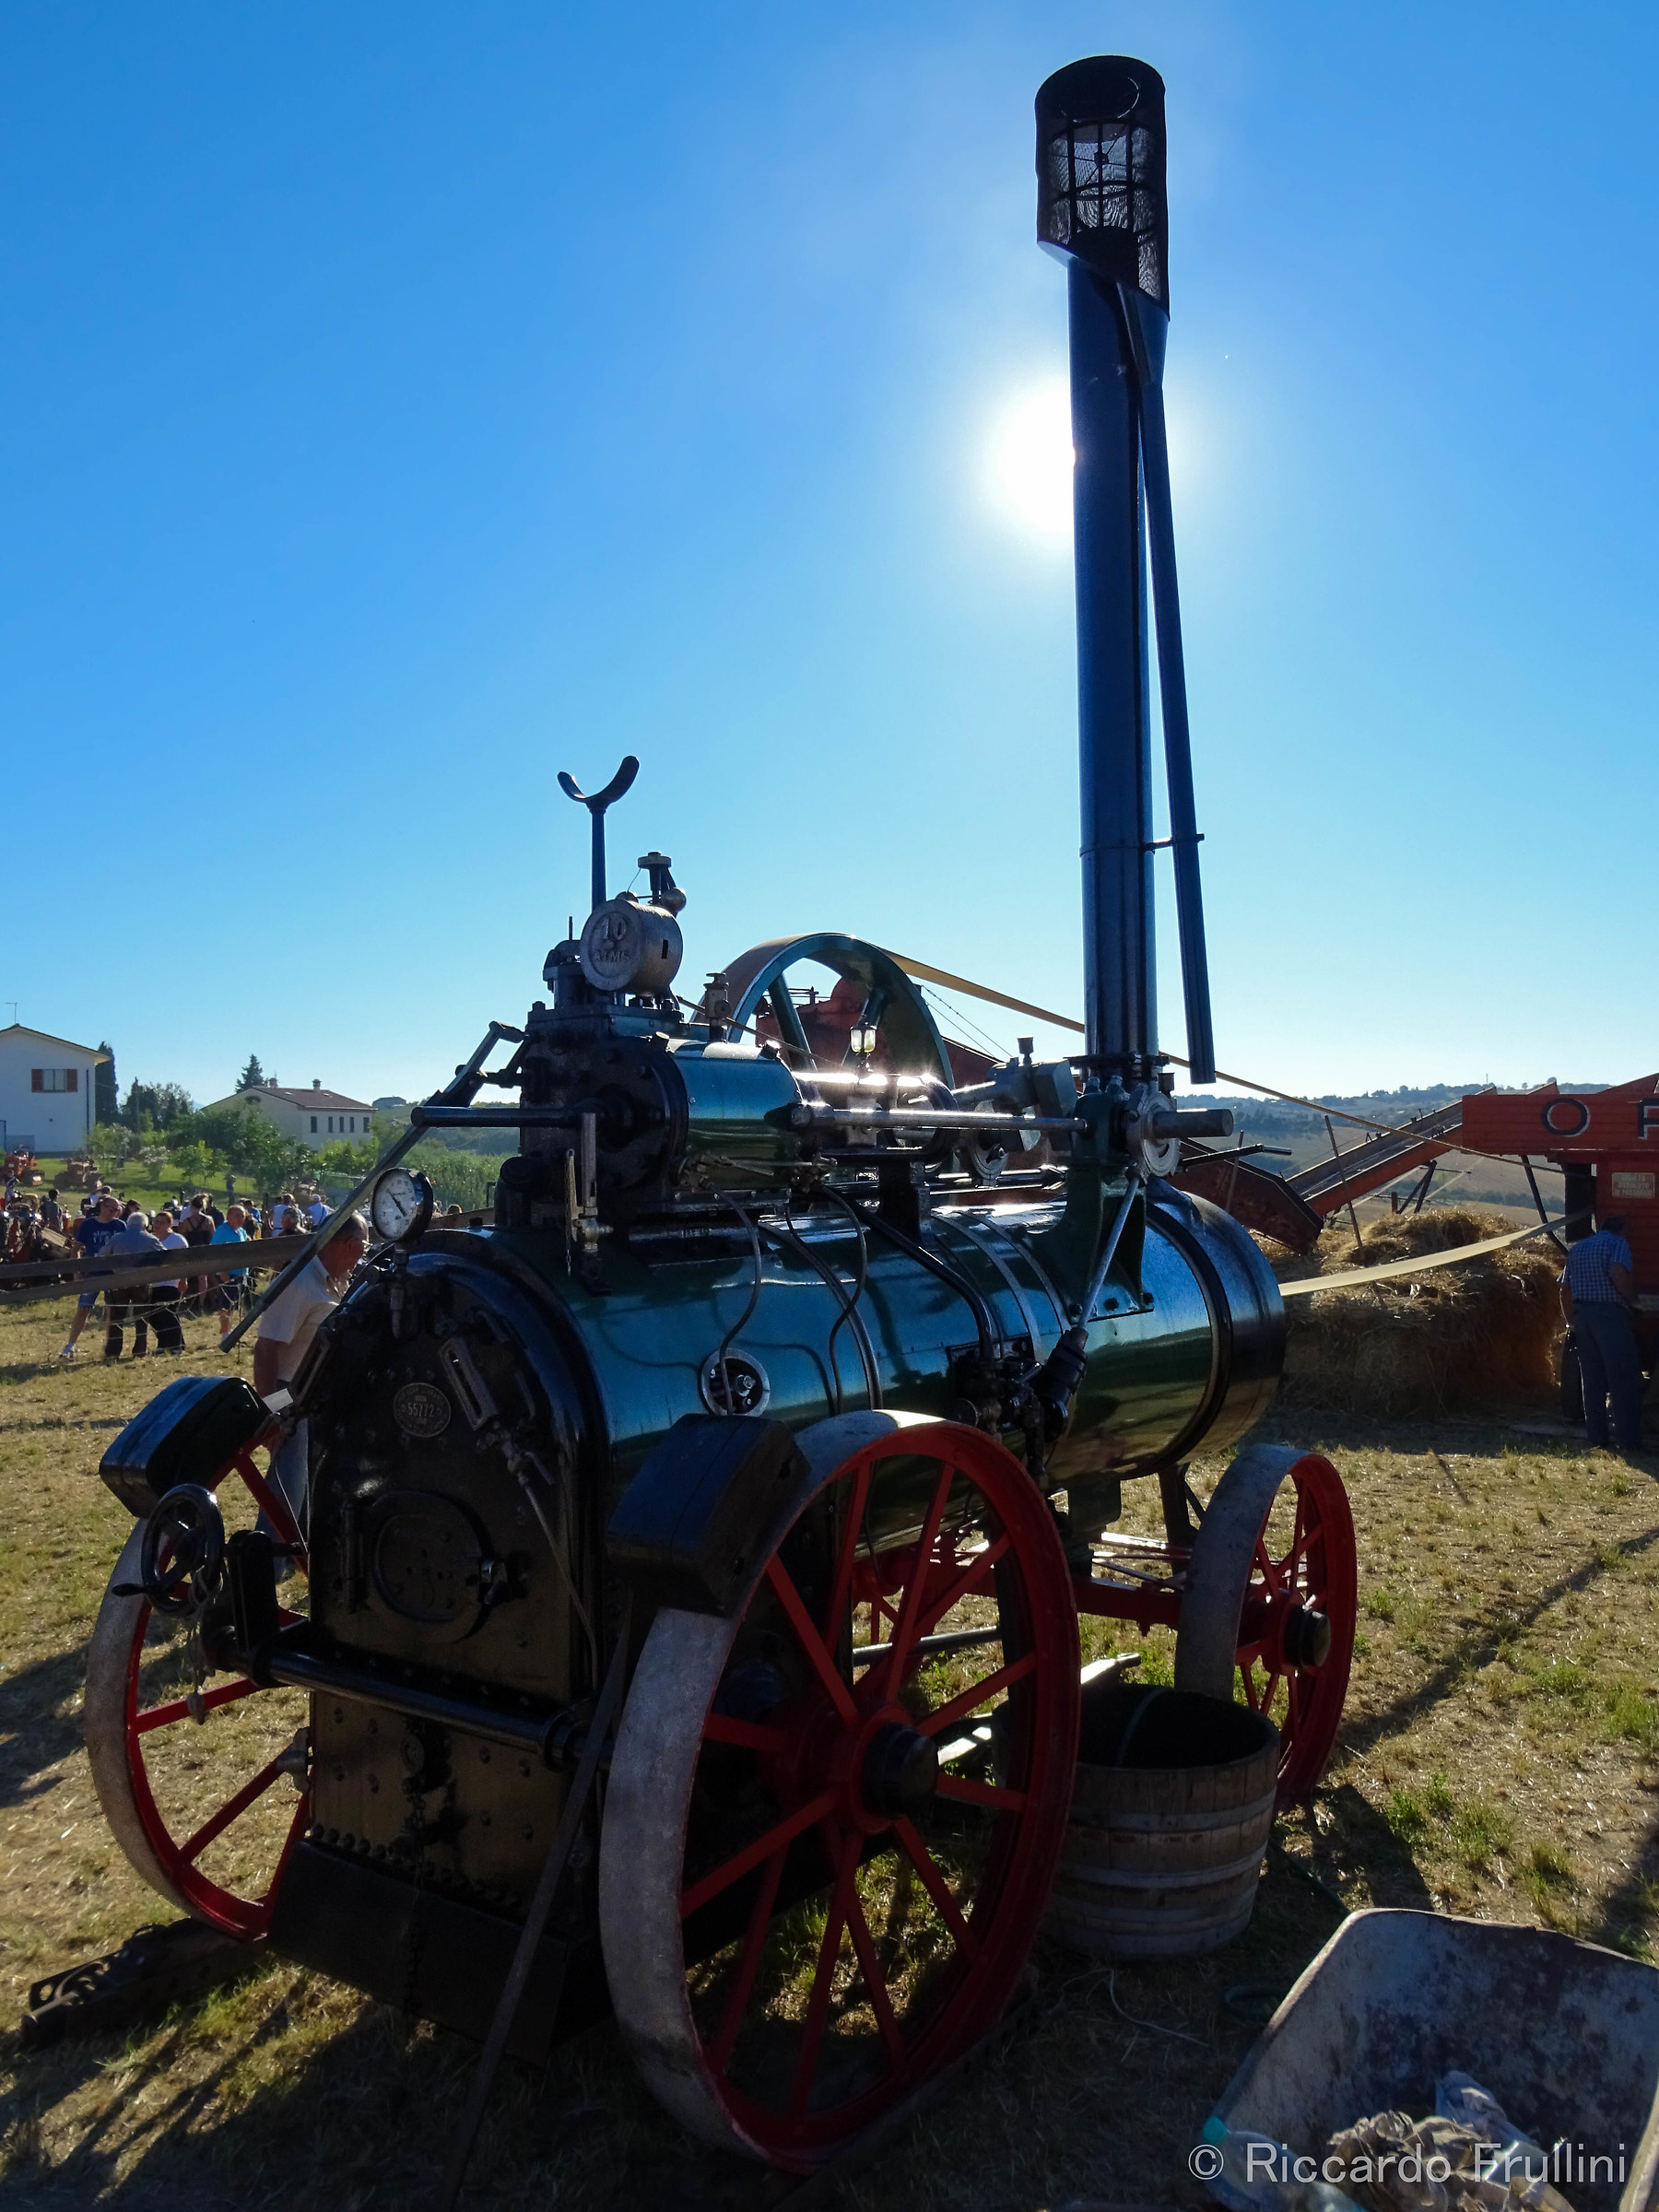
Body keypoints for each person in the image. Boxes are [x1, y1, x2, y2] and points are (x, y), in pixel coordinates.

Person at [253, 1213, 369, 1533]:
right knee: (286, 1491)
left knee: (308, 1484)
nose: (364, 1254)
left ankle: (298, 1554)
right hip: (289, 1395)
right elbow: (266, 1351)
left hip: (314, 1394)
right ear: (350, 1244)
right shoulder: (301, 1283)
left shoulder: (333, 1280)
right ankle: (268, 1561)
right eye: (365, 1245)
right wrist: (274, 1414)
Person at [1560, 1212, 1645, 1453]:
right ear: (1622, 1229)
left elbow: (1565, 1290)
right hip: (1610, 1316)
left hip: (1583, 1317)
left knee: (1592, 1380)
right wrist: (1634, 1303)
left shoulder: (1579, 1248)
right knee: (1622, 1378)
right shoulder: (1618, 1243)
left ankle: (1598, 1438)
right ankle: (1628, 1440)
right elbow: (1618, 1272)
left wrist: (1572, 1324)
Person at [102, 1207, 184, 1359]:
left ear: (128, 1224)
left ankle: (113, 1351)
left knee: (117, 1318)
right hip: (141, 1283)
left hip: (120, 1283)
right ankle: (139, 1350)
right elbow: (165, 1256)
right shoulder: (150, 1239)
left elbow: (102, 1255)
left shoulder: (117, 1238)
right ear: (144, 1226)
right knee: (141, 1318)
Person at [60, 1194, 124, 1360]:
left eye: (116, 1210)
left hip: (114, 1273)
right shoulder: (88, 1225)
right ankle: (70, 1345)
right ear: (102, 1207)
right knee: (83, 1308)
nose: (112, 1212)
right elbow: (76, 1249)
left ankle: (109, 1344)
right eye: (109, 1208)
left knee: (112, 1310)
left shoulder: (120, 1226)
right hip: (93, 1271)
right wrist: (77, 1271)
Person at [209, 1204, 251, 1339]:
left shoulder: (242, 1232)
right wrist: (223, 1272)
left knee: (234, 1305)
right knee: (226, 1304)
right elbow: (216, 1252)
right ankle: (225, 1334)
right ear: (228, 1216)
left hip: (241, 1273)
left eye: (242, 1216)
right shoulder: (222, 1231)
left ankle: (230, 1331)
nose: (240, 1219)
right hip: (228, 1273)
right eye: (237, 1215)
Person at [150, 1208, 189, 1348]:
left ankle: (177, 1345)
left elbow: (185, 1262)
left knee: (168, 1313)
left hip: (172, 1283)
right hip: (155, 1283)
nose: (157, 1225)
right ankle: (163, 1344)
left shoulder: (177, 1240)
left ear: (169, 1224)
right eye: (155, 1222)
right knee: (154, 1317)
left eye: (161, 1222)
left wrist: (183, 1280)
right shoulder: (152, 1240)